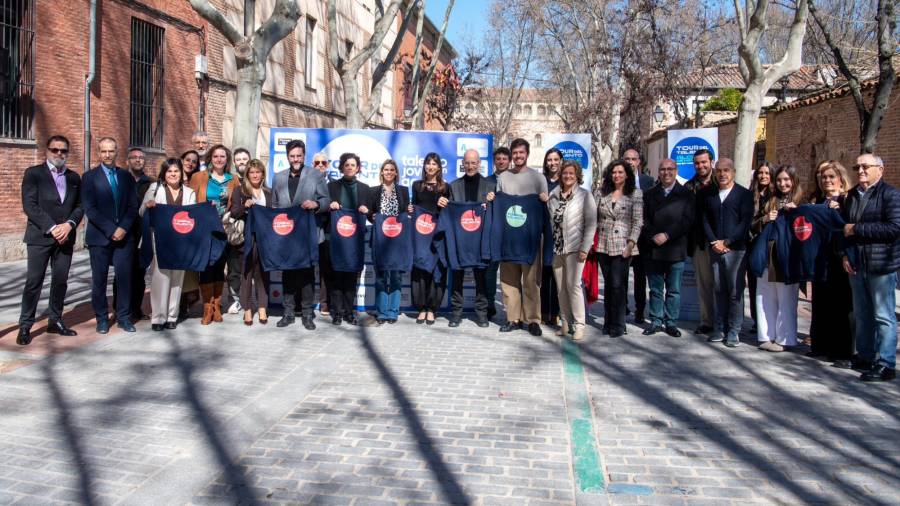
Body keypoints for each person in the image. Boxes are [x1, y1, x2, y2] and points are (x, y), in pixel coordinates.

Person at [17, 135, 84, 345]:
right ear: (47, 150)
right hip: (40, 237)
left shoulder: (74, 178)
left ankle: (55, 320)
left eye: (63, 150)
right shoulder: (34, 174)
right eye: (55, 150)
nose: (59, 154)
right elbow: (30, 205)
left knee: (60, 281)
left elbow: (80, 206)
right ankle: (25, 325)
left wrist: (69, 225)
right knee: (34, 282)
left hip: (65, 239)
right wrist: (53, 227)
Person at [841, 154, 900, 382]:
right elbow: (843, 228)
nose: (861, 170)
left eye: (866, 166)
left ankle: (885, 363)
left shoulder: (891, 195)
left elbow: (894, 228)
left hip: (881, 264)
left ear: (880, 170)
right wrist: (845, 255)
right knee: (862, 314)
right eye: (857, 166)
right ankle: (865, 356)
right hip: (857, 263)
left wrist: (858, 229)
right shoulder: (853, 195)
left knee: (883, 316)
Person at [82, 137, 140, 333]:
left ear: (117, 152)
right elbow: (90, 209)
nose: (107, 155)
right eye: (103, 151)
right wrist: (110, 229)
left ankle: (123, 316)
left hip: (124, 237)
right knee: (99, 280)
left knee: (124, 279)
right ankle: (102, 318)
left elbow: (133, 206)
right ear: (99, 153)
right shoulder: (89, 177)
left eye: (111, 151)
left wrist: (123, 228)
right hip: (99, 237)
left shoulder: (126, 177)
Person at [271, 139, 329, 329]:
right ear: (287, 156)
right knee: (287, 274)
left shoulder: (315, 175)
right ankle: (288, 313)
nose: (296, 159)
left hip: (308, 233)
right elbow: (274, 206)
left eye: (299, 156)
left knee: (306, 275)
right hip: (286, 235)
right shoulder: (278, 177)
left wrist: (316, 204)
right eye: (292, 156)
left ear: (304, 156)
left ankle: (307, 314)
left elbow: (326, 201)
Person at [496, 139, 550, 336]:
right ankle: (513, 319)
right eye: (515, 153)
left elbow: (546, 207)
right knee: (509, 281)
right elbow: (499, 206)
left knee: (531, 281)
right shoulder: (503, 178)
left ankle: (533, 320)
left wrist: (545, 200)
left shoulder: (538, 178)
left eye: (521, 153)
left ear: (527, 154)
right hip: (508, 238)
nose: (518, 156)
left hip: (531, 238)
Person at [140, 158, 197, 330]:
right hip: (160, 239)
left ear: (181, 173)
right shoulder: (155, 188)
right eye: (169, 171)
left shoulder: (189, 192)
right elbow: (141, 211)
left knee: (177, 278)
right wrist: (148, 205)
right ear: (164, 173)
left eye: (176, 171)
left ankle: (172, 315)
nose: (173, 174)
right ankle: (158, 317)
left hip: (181, 241)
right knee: (160, 278)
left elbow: (192, 215)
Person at [702, 158, 753, 348]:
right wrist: (714, 241)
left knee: (734, 291)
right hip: (715, 248)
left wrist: (728, 241)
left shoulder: (744, 194)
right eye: (719, 171)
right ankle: (719, 327)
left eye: (726, 170)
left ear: (733, 172)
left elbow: (745, 222)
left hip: (736, 250)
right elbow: (705, 219)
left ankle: (734, 330)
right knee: (718, 289)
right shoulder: (710, 194)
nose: (722, 174)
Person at [640, 158, 695, 338]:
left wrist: (667, 235)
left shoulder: (686, 194)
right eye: (663, 169)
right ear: (658, 172)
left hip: (675, 248)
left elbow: (686, 221)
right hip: (653, 248)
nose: (666, 172)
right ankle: (656, 321)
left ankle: (671, 322)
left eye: (670, 169)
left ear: (676, 170)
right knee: (655, 289)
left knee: (674, 290)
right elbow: (644, 220)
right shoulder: (649, 194)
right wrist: (653, 236)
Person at [807, 160, 853, 368]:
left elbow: (850, 225)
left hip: (839, 258)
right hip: (819, 257)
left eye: (831, 177)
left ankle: (841, 351)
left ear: (841, 178)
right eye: (824, 177)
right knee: (821, 301)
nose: (827, 180)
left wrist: (839, 209)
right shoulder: (816, 200)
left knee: (841, 305)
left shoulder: (848, 200)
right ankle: (820, 345)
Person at [752, 165, 804, 352]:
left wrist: (797, 212)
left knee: (786, 298)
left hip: (788, 256)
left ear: (794, 180)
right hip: (767, 254)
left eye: (786, 179)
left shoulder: (801, 201)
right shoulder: (770, 201)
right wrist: (765, 218)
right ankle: (766, 335)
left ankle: (785, 338)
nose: (783, 183)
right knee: (764, 295)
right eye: (780, 180)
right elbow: (753, 224)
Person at [189, 144, 239, 325]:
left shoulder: (233, 179)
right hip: (204, 229)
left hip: (224, 229)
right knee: (206, 266)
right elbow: (190, 201)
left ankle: (217, 306)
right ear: (210, 158)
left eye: (223, 156)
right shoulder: (199, 177)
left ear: (227, 159)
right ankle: (207, 308)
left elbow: (237, 203)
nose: (219, 159)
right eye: (216, 156)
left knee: (219, 266)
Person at [547, 160, 596, 341]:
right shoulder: (554, 195)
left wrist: (585, 247)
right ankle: (566, 323)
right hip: (557, 248)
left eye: (571, 174)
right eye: (565, 173)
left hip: (576, 248)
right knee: (561, 288)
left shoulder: (584, 196)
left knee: (573, 286)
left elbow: (591, 224)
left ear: (577, 177)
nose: (567, 176)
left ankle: (580, 324)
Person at [447, 149, 496, 328]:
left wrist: (493, 200)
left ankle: (482, 314)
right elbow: (450, 212)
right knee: (457, 277)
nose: (470, 166)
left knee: (481, 278)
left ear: (479, 163)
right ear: (463, 164)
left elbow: (494, 212)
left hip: (480, 239)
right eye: (467, 163)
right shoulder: (453, 186)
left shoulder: (490, 186)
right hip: (460, 240)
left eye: (473, 162)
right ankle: (456, 313)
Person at [595, 159, 643, 338]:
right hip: (604, 244)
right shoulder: (601, 192)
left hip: (624, 245)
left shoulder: (635, 194)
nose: (616, 175)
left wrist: (631, 243)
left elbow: (638, 221)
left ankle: (619, 322)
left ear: (627, 175)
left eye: (620, 172)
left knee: (618, 285)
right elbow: (594, 216)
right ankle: (608, 321)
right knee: (608, 285)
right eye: (614, 172)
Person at [327, 153, 371, 325]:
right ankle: (337, 313)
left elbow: (371, 210)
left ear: (358, 168)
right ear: (342, 167)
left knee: (351, 279)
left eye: (353, 165)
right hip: (337, 240)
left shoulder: (365, 188)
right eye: (347, 165)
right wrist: (331, 205)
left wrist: (366, 209)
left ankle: (348, 312)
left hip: (354, 242)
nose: (350, 167)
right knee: (337, 277)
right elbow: (324, 207)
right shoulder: (332, 187)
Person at [229, 159, 273, 326]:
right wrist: (245, 206)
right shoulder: (240, 191)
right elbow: (234, 213)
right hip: (246, 239)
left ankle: (262, 307)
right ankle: (247, 309)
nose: (255, 175)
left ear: (262, 174)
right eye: (252, 172)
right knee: (246, 275)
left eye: (258, 171)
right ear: (247, 174)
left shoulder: (268, 193)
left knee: (263, 274)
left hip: (265, 240)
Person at [410, 152, 451, 325]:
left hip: (438, 236)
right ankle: (421, 308)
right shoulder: (417, 185)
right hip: (420, 235)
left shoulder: (445, 188)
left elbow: (449, 212)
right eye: (428, 163)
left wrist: (446, 204)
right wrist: (410, 209)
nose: (431, 166)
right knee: (420, 271)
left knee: (437, 272)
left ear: (439, 167)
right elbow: (414, 207)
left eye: (434, 163)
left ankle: (432, 309)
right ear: (424, 166)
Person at [368, 159, 410, 324]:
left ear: (396, 173)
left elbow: (406, 212)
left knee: (396, 277)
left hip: (397, 241)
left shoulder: (403, 191)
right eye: (386, 169)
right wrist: (371, 216)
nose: (389, 172)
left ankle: (393, 311)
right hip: (380, 240)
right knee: (380, 277)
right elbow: (370, 214)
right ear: (381, 172)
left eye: (392, 169)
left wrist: (409, 211)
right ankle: (381, 311)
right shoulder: (374, 191)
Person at [116, 146, 153, 322]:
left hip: (141, 234)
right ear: (127, 161)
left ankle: (136, 309)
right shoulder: (119, 179)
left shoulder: (151, 183)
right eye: (134, 157)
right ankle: (119, 310)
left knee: (139, 274)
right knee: (122, 273)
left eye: (141, 158)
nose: (138, 160)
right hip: (122, 233)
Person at [685, 149, 717, 335]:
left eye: (704, 162)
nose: (701, 166)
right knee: (704, 284)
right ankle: (707, 321)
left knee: (724, 284)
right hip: (700, 242)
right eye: (697, 163)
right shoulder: (690, 186)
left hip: (722, 242)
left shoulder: (721, 182)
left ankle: (727, 321)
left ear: (711, 162)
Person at [623, 148, 655, 324]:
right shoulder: (616, 179)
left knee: (640, 277)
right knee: (621, 275)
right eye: (627, 159)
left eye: (633, 159)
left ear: (638, 162)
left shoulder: (648, 181)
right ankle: (623, 306)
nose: (630, 162)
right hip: (622, 236)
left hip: (643, 237)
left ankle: (640, 310)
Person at [484, 146, 512, 319]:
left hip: (510, 232)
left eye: (504, 158)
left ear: (509, 161)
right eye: (498, 159)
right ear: (494, 161)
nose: (501, 161)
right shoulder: (486, 182)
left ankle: (512, 309)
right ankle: (489, 303)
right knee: (490, 271)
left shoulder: (516, 180)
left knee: (510, 274)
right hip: (491, 232)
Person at [748, 162, 774, 331]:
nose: (763, 176)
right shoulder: (751, 195)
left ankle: (769, 319)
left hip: (770, 244)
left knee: (768, 283)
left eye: (767, 173)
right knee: (753, 283)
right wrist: (763, 220)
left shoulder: (776, 196)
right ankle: (757, 319)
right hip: (752, 241)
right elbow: (748, 221)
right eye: (760, 173)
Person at [540, 148, 563, 325]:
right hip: (543, 233)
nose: (552, 163)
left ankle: (556, 312)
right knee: (544, 273)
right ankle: (543, 311)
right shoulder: (541, 182)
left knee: (558, 275)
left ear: (561, 161)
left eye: (556, 159)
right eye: (549, 160)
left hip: (562, 234)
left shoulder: (567, 181)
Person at [178, 150, 202, 318]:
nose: (190, 163)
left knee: (190, 271)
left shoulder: (197, 179)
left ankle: (185, 304)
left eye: (194, 161)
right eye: (187, 160)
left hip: (191, 230)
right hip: (173, 231)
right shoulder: (171, 174)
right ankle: (175, 304)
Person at [311, 151, 334, 313]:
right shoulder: (306, 182)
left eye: (323, 163)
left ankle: (325, 302)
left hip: (328, 231)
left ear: (328, 166)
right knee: (309, 267)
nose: (320, 165)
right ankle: (308, 303)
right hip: (310, 229)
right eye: (317, 163)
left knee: (326, 268)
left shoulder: (334, 184)